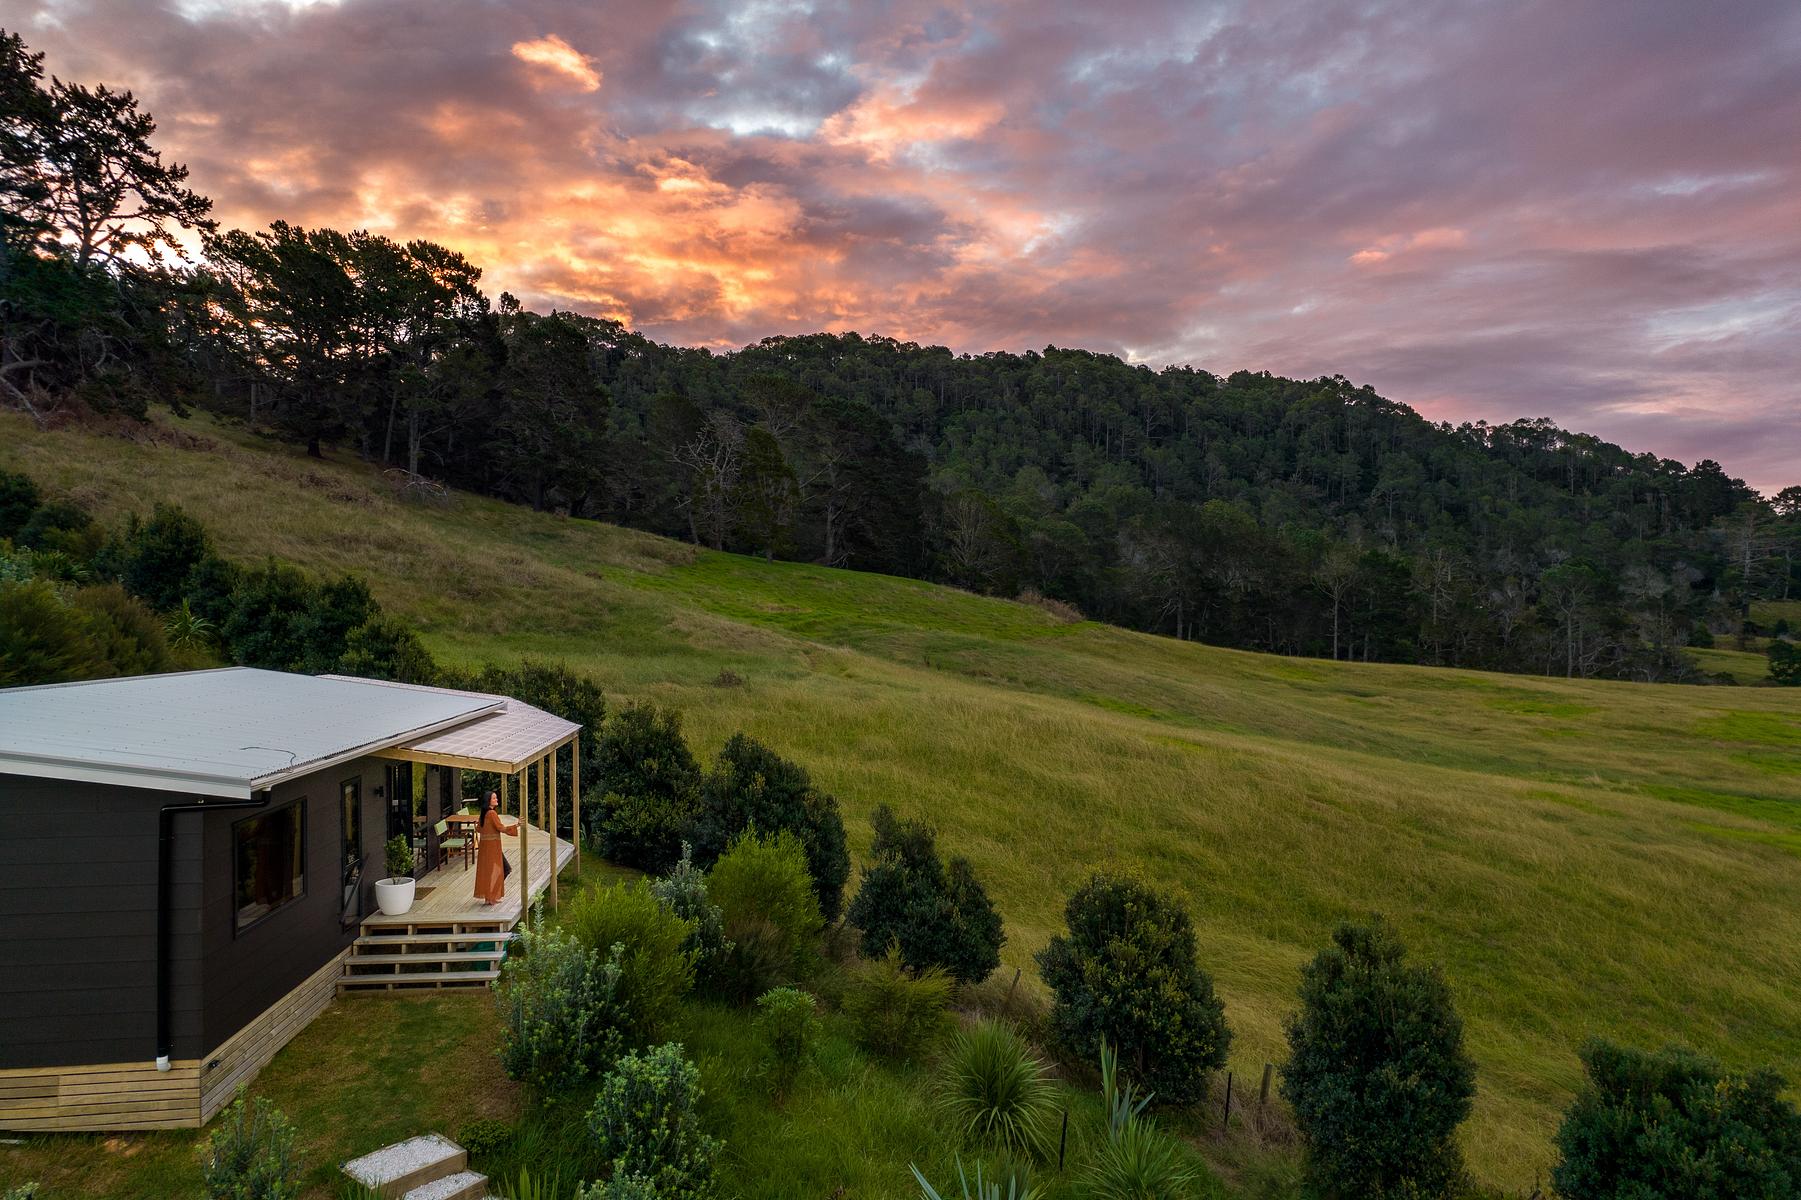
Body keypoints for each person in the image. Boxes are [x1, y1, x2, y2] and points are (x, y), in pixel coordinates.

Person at [472, 790, 518, 905]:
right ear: (489, 801)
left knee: (490, 871)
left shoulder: (484, 813)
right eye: (494, 798)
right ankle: (491, 896)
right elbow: (500, 828)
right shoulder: (492, 813)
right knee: (503, 869)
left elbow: (478, 829)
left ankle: (490, 897)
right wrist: (516, 825)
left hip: (486, 848)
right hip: (492, 848)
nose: (496, 799)